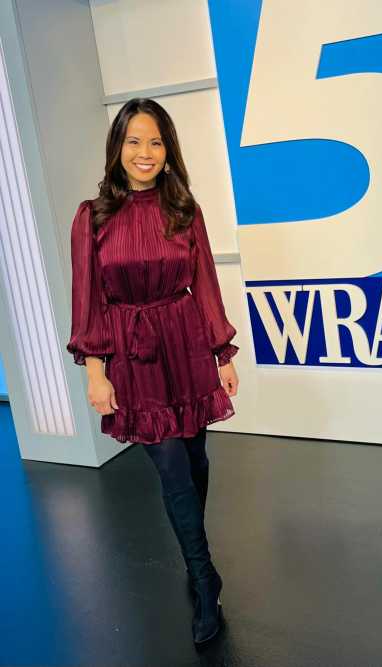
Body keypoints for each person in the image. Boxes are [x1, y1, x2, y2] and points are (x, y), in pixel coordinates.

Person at [66, 97, 240, 645]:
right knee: (170, 468)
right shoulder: (92, 216)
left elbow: (206, 282)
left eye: (156, 141)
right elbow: (87, 300)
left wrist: (221, 354)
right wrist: (96, 372)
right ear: (118, 147)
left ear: (169, 152)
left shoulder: (184, 209)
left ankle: (196, 557)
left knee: (195, 459)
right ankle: (205, 576)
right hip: (132, 353)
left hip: (186, 342)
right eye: (135, 140)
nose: (145, 152)